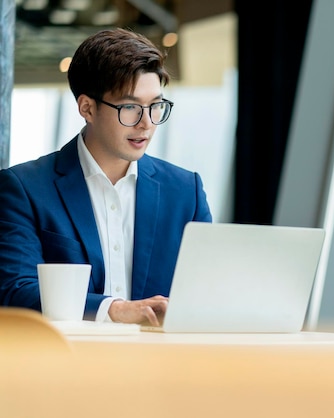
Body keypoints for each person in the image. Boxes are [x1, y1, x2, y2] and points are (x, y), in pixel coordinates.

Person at [0, 28, 212, 325]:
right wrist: (113, 309)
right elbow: (15, 291)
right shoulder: (24, 189)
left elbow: (208, 291)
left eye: (155, 106)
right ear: (87, 108)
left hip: (161, 364)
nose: (146, 123)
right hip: (65, 364)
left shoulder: (185, 191)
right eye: (130, 108)